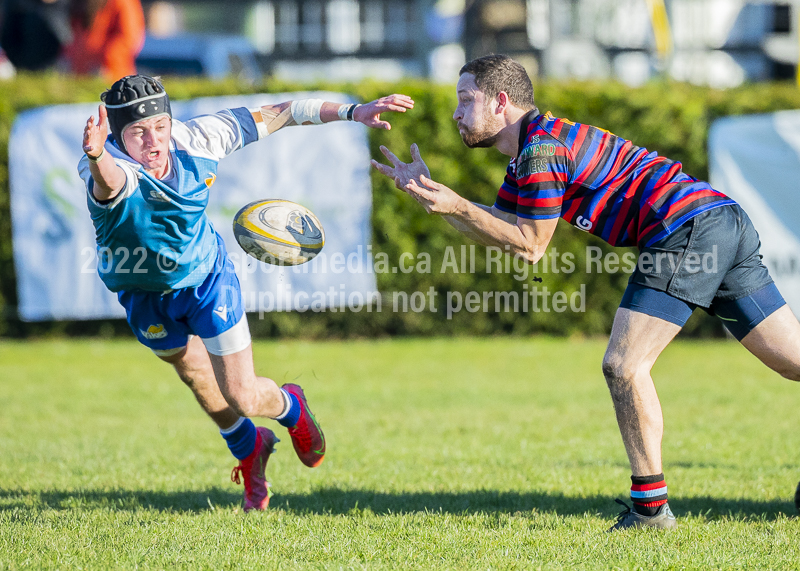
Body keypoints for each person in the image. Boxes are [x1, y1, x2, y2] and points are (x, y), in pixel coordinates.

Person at [371, 54, 800, 531]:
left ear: (501, 102)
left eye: (465, 100)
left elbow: (531, 245)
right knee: (794, 362)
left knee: (624, 365)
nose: (455, 113)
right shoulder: (529, 154)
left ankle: (650, 513)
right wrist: (437, 198)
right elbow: (502, 227)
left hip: (685, 228)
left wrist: (454, 203)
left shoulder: (542, 150)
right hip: (718, 218)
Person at [80, 74, 414, 511]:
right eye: (138, 132)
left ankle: (291, 407)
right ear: (119, 136)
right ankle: (250, 449)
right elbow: (108, 184)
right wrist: (98, 152)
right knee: (195, 377)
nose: (154, 141)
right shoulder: (105, 162)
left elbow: (285, 113)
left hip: (206, 280)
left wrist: (353, 112)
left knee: (240, 394)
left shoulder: (199, 139)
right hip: (141, 291)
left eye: (160, 126)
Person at [63, 0, 145, 81]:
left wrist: (105, 64)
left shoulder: (124, 2)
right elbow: (75, 34)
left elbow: (128, 37)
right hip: (81, 74)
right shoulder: (80, 3)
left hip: (112, 76)